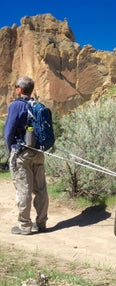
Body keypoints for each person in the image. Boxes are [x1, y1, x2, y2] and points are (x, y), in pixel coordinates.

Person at [4, 76, 49, 235]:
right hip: (38, 153)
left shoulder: (16, 105)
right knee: (41, 189)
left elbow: (9, 131)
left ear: (20, 89)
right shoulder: (38, 105)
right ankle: (42, 223)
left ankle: (24, 226)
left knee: (24, 190)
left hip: (22, 154)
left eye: (16, 86)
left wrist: (11, 151)